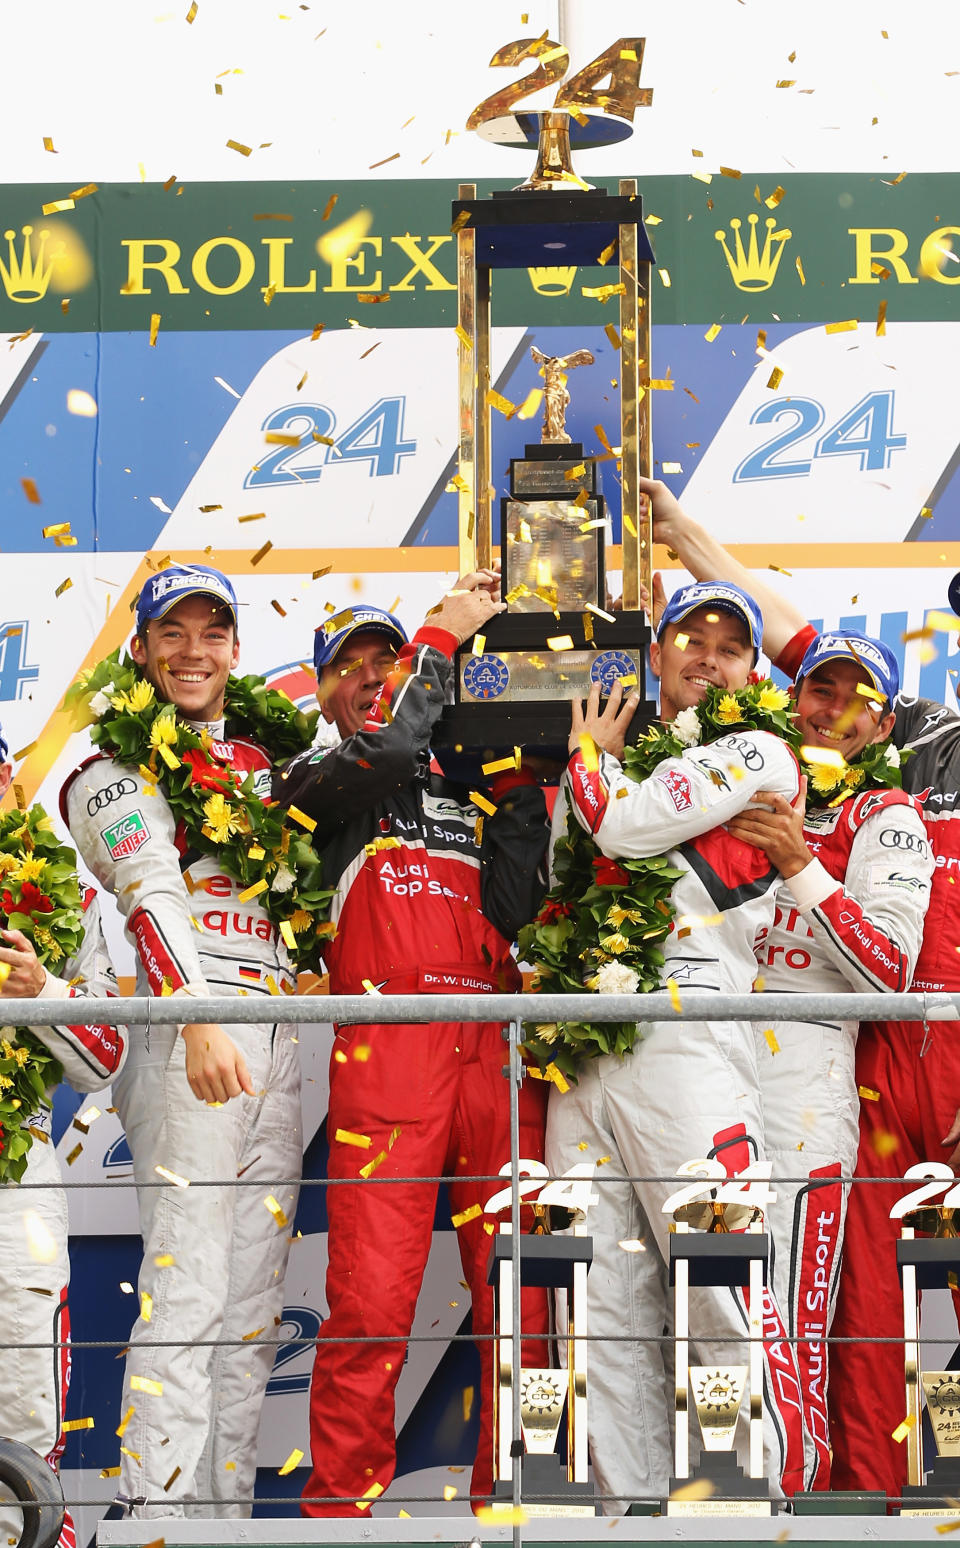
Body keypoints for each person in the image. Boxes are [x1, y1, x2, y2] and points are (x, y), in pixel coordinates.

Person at [641, 475, 960, 1501]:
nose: (830, 709)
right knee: (864, 1313)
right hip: (856, 1073)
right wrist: (687, 536)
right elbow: (788, 635)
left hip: (924, 1046)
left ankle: (941, 1490)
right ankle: (859, 1497)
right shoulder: (914, 733)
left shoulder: (883, 797)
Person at [274, 579, 552, 1516]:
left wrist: (515, 787)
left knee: (526, 1295)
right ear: (319, 693)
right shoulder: (317, 785)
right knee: (369, 1301)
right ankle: (339, 1512)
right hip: (388, 1050)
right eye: (345, 667)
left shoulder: (463, 791)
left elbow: (515, 909)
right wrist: (437, 635)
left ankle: (523, 1500)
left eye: (382, 662)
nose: (366, 678)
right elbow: (389, 745)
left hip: (494, 1053)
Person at [545, 579, 811, 1510]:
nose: (707, 657)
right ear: (653, 655)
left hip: (693, 1038)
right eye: (687, 638)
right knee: (597, 1311)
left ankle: (743, 1508)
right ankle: (625, 1514)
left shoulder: (759, 748)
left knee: (720, 1292)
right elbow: (559, 882)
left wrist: (588, 759)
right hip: (582, 1050)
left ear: (752, 668)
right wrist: (597, 770)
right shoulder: (633, 757)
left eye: (731, 646)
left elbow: (624, 825)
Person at [61, 565, 302, 1519]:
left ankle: (225, 1524)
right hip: (187, 1040)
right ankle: (156, 1529)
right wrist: (197, 1019)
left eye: (213, 634)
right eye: (174, 634)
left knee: (247, 1319)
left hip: (275, 1039)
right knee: (189, 1297)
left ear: (237, 653)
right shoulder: (104, 771)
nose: (193, 652)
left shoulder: (261, 769)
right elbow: (152, 895)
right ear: (142, 652)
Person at [725, 629, 932, 1489]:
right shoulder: (735, 782)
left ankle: (797, 1493)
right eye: (821, 688)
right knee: (718, 1300)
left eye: (858, 699)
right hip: (709, 1052)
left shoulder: (887, 818)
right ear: (795, 697)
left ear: (881, 729)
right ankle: (720, 1490)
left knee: (794, 1312)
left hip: (809, 1068)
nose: (834, 708)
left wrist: (798, 864)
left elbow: (891, 972)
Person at [0, 725, 126, 1548]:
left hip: (17, 1167)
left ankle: (20, 1531)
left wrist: (41, 987)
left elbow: (104, 1059)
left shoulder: (57, 897)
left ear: (10, 785)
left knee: (22, 1382)